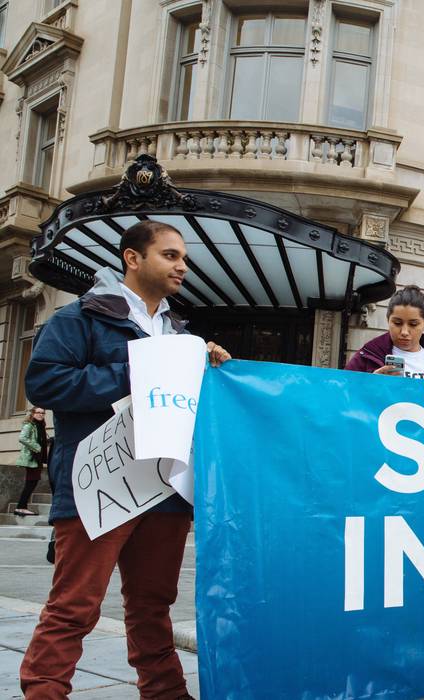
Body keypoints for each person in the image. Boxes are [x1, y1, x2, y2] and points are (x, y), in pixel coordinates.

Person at [20, 220, 231, 699]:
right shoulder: (79, 318)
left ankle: (166, 693)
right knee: (74, 606)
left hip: (166, 491)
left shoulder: (183, 336)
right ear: (132, 259)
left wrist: (211, 368)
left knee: (152, 607)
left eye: (184, 258)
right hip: (100, 484)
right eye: (170, 255)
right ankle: (44, 692)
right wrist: (137, 372)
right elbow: (45, 384)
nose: (182, 266)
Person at [345, 285, 424, 383]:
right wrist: (371, 383)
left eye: (413, 324)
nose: (404, 332)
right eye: (397, 323)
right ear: (388, 320)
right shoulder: (365, 357)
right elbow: (341, 396)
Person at [13, 407, 49, 517]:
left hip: (37, 458)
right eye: (38, 412)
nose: (40, 415)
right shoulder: (29, 425)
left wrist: (48, 441)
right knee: (31, 482)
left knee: (32, 482)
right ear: (33, 414)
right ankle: (20, 507)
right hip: (31, 458)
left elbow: (41, 440)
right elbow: (22, 438)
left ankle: (22, 507)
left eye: (43, 413)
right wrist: (37, 447)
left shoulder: (41, 427)